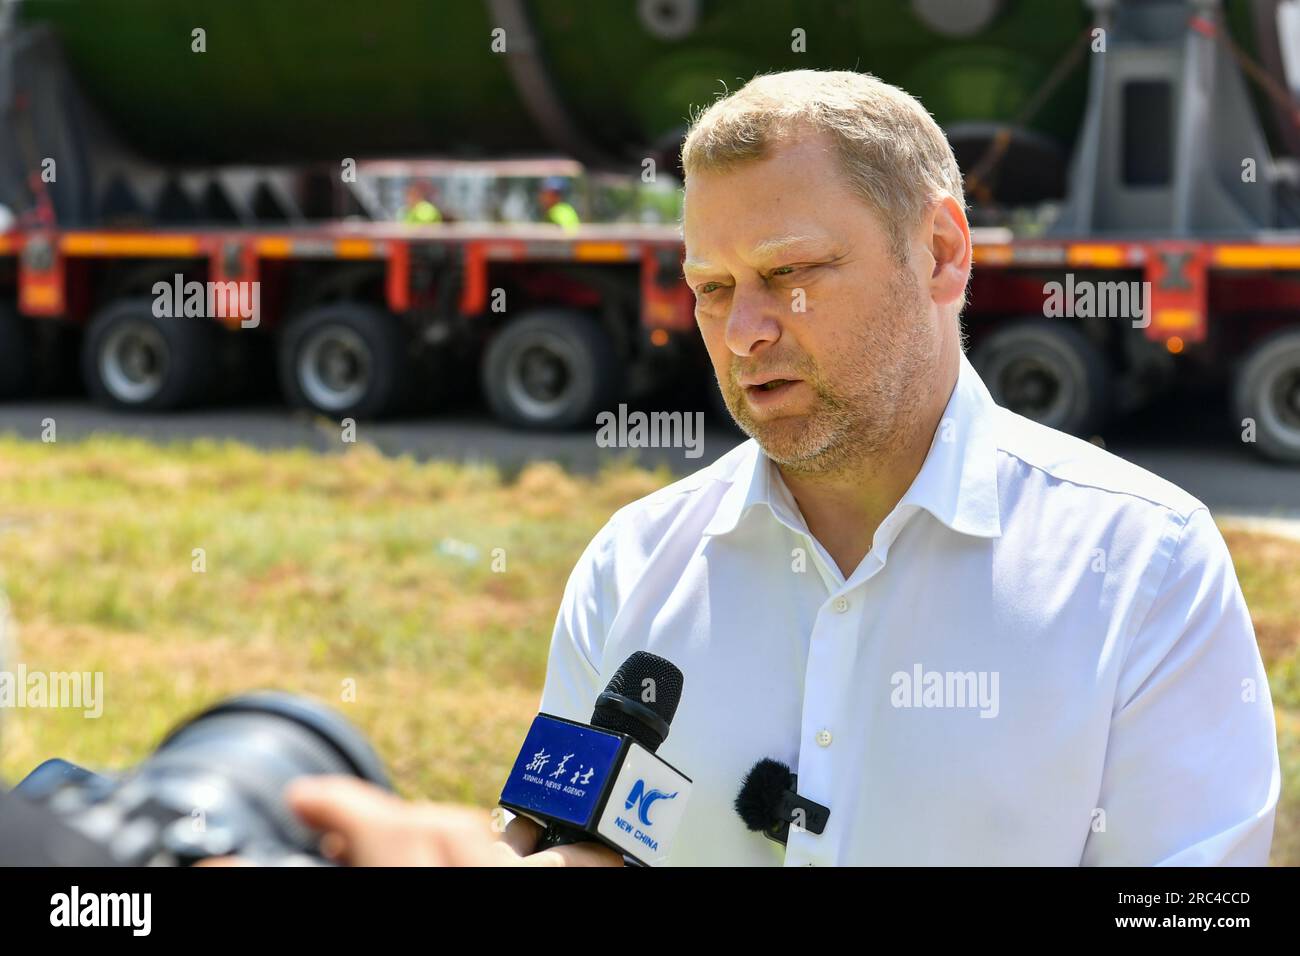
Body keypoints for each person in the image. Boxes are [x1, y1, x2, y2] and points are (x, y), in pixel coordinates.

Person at [507, 69, 1281, 865]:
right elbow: (574, 842)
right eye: (712, 286)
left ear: (941, 253)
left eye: (789, 273)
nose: (742, 331)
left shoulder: (1144, 566)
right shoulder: (628, 565)